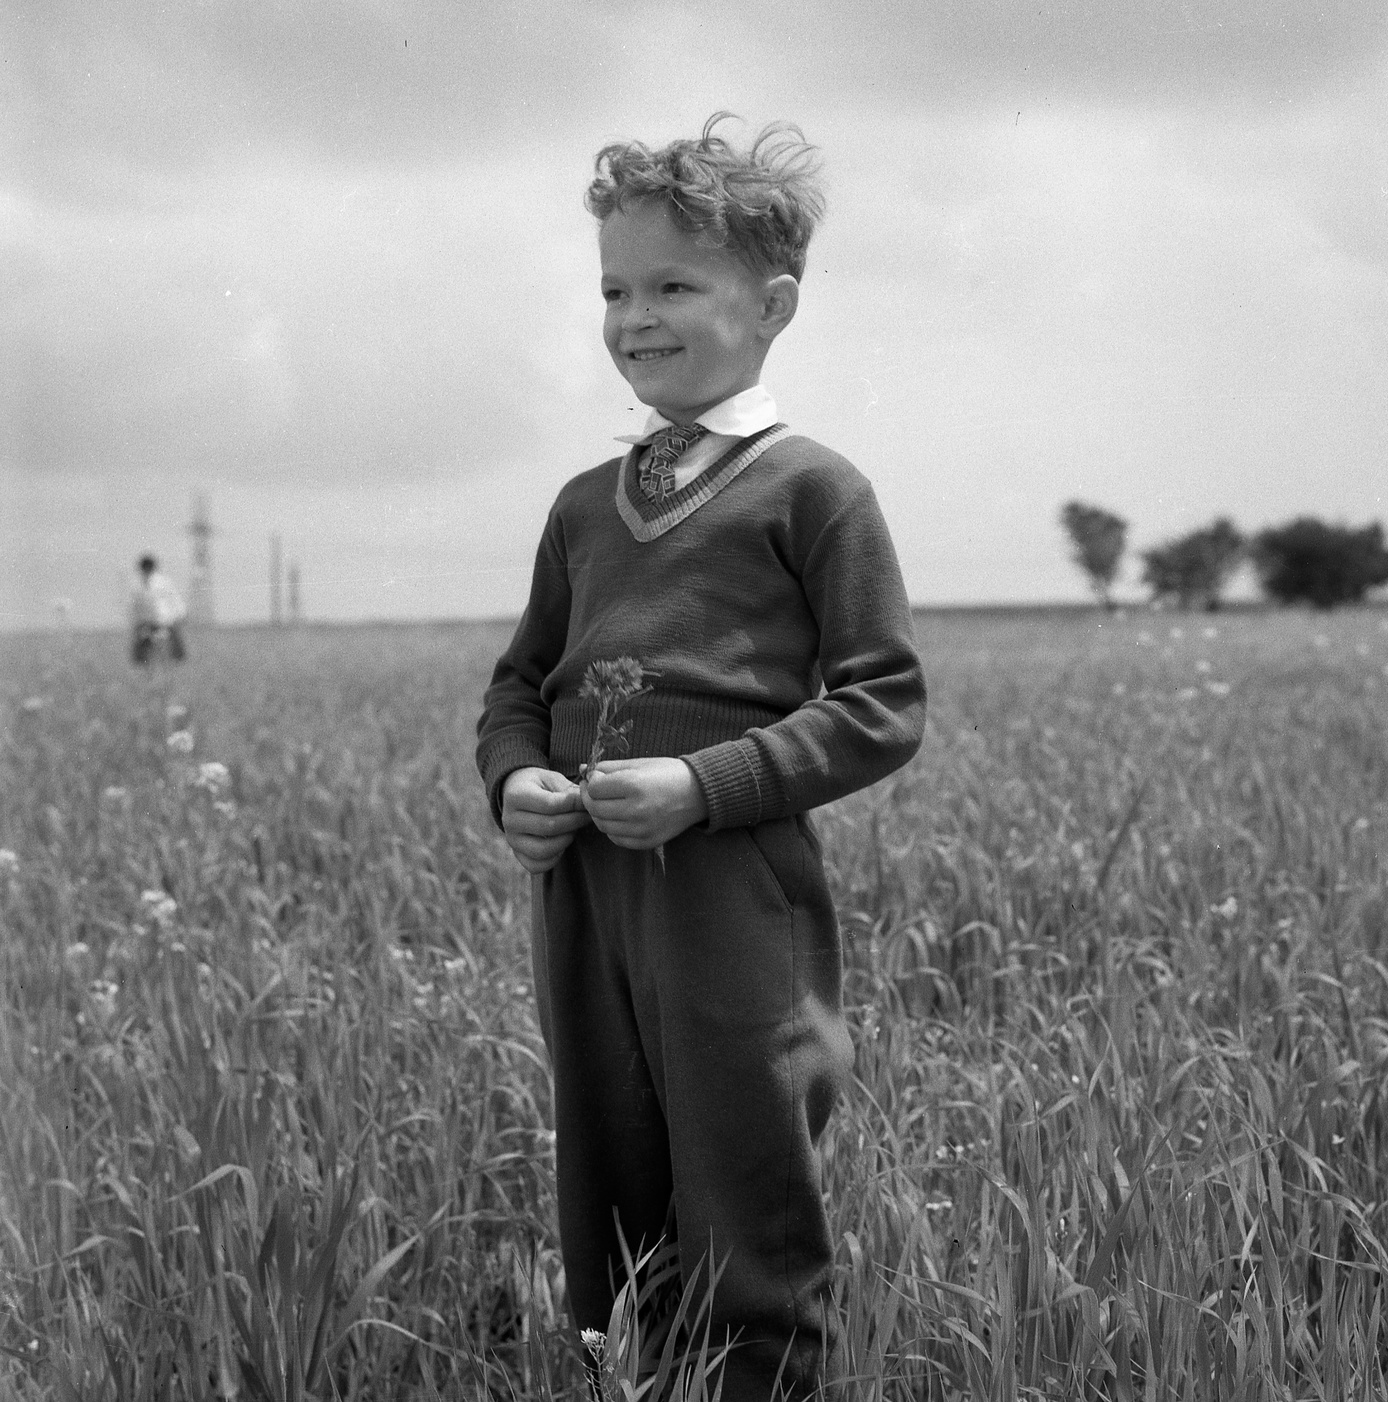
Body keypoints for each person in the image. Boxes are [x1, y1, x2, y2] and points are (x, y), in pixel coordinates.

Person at [475, 114, 926, 1400]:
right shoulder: (580, 505)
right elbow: (518, 685)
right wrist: (516, 784)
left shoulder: (810, 490)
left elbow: (883, 698)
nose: (634, 316)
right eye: (615, 288)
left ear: (773, 303)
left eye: (674, 284)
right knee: (608, 1164)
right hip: (585, 890)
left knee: (741, 1167)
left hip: (728, 884)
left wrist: (702, 783)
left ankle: (770, 1383)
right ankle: (629, 1374)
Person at [129, 554, 187, 665]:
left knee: (176, 641)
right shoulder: (137, 586)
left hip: (164, 621)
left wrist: (180, 615)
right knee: (139, 645)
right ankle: (140, 662)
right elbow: (134, 607)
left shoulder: (163, 582)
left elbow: (175, 599)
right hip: (146, 622)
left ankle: (178, 659)